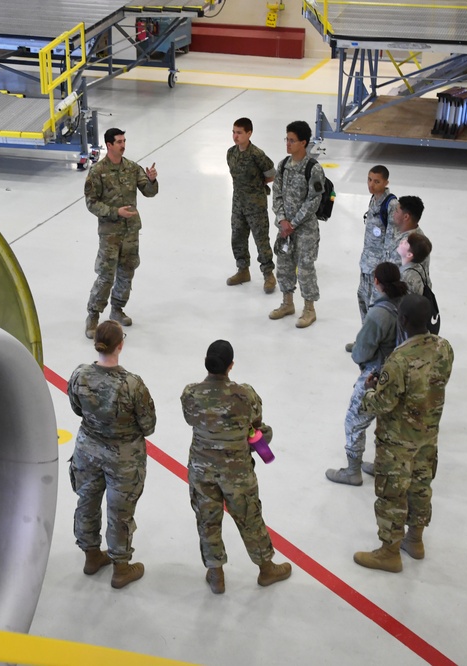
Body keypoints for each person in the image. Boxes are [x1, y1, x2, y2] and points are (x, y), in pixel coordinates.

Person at [181, 340, 292, 594]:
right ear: (231, 366)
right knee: (249, 517)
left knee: (207, 520)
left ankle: (215, 573)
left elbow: (191, 419)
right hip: (237, 471)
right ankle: (266, 568)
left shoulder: (190, 394)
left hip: (201, 468)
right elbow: (255, 424)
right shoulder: (246, 394)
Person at [354, 294, 454, 574]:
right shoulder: (444, 348)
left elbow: (383, 403)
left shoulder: (399, 361)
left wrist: (370, 390)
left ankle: (389, 552)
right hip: (428, 436)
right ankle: (415, 540)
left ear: (403, 321)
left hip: (398, 441)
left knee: (392, 493)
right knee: (421, 486)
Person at [68, 321, 156, 589]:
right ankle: (121, 568)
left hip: (87, 450)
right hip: (124, 458)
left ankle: (91, 556)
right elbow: (149, 426)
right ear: (121, 345)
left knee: (87, 501)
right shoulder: (132, 384)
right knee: (120, 511)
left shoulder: (80, 375)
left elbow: (76, 408)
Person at [327, 263, 407, 486]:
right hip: (400, 372)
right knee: (387, 421)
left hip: (377, 375)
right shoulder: (404, 301)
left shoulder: (379, 313)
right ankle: (383, 465)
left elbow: (361, 350)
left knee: (354, 422)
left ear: (376, 282)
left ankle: (352, 472)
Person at [83, 127, 159, 339]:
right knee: (106, 276)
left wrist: (152, 180)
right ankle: (93, 315)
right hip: (110, 234)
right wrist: (115, 212)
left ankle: (117, 309)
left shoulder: (132, 168)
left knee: (127, 272)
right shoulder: (97, 172)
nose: (123, 145)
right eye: (119, 141)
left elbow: (149, 192)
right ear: (109, 145)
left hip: (131, 232)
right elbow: (91, 203)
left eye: (124, 140)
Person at [269, 120, 325, 328]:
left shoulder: (313, 169)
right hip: (285, 228)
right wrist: (282, 220)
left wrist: (293, 222)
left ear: (303, 143)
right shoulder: (283, 165)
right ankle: (287, 303)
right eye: (287, 139)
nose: (288, 144)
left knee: (305, 268)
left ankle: (309, 309)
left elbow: (314, 200)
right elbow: (277, 195)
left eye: (292, 140)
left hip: (305, 229)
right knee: (283, 265)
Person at [346, 166, 398, 352]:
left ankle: (379, 347)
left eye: (377, 181)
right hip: (366, 264)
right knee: (363, 301)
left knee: (378, 309)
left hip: (379, 269)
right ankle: (366, 341)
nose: (371, 185)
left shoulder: (391, 205)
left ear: (386, 183)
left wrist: (383, 271)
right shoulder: (373, 200)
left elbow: (391, 240)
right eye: (369, 180)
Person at [226, 117, 277, 293]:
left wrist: (257, 186)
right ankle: (243, 270)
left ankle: (269, 275)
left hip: (256, 205)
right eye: (233, 132)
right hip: (238, 204)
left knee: (261, 240)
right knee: (238, 238)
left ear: (249, 133)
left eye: (239, 133)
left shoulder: (257, 155)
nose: (235, 136)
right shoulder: (231, 153)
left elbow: (271, 174)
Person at [381, 195, 428, 272]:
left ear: (406, 217)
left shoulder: (409, 245)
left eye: (396, 211)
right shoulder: (412, 235)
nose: (393, 214)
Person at [398, 232, 433, 297]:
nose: (401, 242)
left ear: (409, 254)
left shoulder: (405, 276)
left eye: (406, 243)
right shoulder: (420, 268)